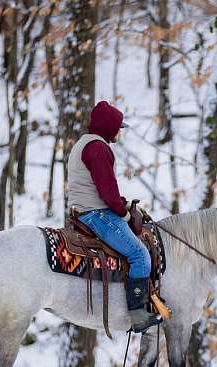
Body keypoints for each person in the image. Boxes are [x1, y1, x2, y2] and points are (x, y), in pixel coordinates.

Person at [68, 101, 162, 333]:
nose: (120, 132)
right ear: (109, 127)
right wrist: (124, 210)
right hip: (96, 213)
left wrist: (123, 204)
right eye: (118, 127)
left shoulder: (84, 144)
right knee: (140, 255)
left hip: (85, 209)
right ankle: (139, 315)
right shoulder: (98, 149)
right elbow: (107, 193)